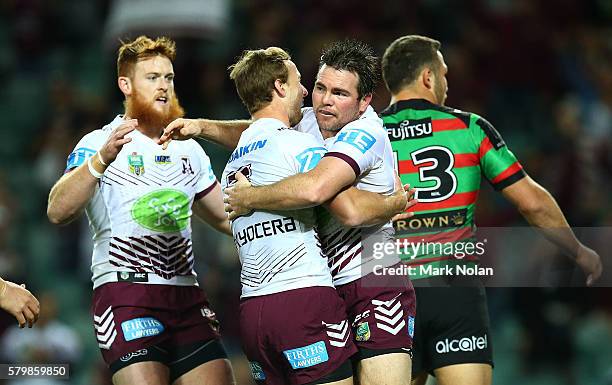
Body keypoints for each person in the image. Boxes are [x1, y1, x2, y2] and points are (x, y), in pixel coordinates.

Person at [379, 35, 603, 385]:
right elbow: (532, 202)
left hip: (387, 290)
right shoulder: (468, 128)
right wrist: (577, 249)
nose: (447, 84)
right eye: (444, 74)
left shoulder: (363, 136)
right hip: (454, 287)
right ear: (427, 77)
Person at [218, 40, 416, 385]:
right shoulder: (309, 122)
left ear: (364, 101)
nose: (323, 99)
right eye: (320, 87)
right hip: (323, 286)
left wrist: (252, 197)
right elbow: (259, 129)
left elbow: (338, 203)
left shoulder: (364, 132)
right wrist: (202, 128)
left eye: (339, 93)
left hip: (371, 280)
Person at [47, 36, 235, 385]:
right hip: (127, 295)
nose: (164, 86)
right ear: (126, 84)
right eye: (152, 77)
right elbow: (57, 211)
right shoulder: (98, 142)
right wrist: (101, 159)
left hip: (186, 293)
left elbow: (225, 218)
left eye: (169, 77)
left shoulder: (190, 148)